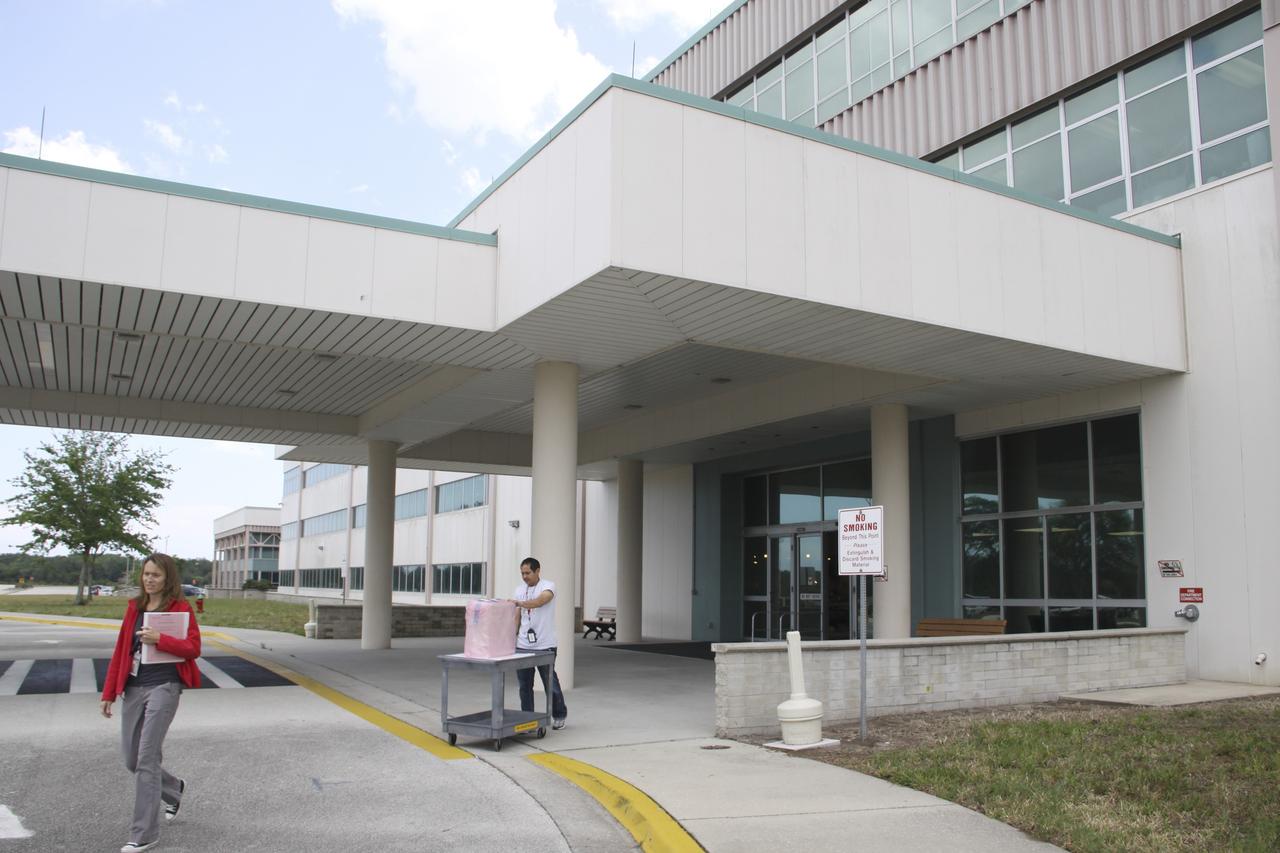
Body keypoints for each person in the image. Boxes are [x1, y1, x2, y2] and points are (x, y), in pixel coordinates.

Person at [100, 553, 202, 853]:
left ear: (167, 578)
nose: (149, 579)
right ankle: (173, 789)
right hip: (133, 687)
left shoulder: (180, 609)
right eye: (146, 574)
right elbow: (121, 650)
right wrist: (108, 693)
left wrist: (161, 639)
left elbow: (194, 648)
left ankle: (144, 834)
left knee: (146, 758)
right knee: (132, 759)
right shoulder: (135, 608)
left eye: (155, 575)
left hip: (164, 686)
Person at [509, 556, 567, 729]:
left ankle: (559, 714)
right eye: (522, 573)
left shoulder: (548, 586)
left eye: (527, 573)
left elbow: (541, 601)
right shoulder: (519, 590)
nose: (525, 576)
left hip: (545, 645)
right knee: (524, 685)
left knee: (550, 682)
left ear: (537, 571)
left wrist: (519, 603)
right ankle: (528, 719)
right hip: (523, 645)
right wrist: (512, 638)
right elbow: (517, 616)